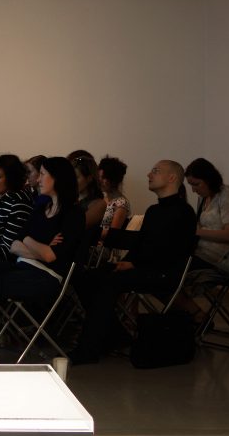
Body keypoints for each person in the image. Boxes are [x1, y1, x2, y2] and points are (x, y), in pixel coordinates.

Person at [0, 157, 85, 361]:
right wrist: (38, 246)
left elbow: (51, 257)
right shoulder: (41, 209)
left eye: (43, 174)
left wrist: (31, 243)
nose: (38, 179)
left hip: (46, 278)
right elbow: (15, 244)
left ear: (57, 178)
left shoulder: (73, 214)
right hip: (21, 268)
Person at [69, 160, 197, 364]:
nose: (149, 174)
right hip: (144, 267)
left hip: (163, 272)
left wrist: (134, 264)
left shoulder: (184, 213)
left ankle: (89, 349)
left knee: (109, 283)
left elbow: (171, 251)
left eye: (155, 171)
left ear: (172, 178)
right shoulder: (154, 211)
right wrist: (128, 261)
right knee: (84, 277)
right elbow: (141, 245)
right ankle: (116, 335)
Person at [98, 155, 131, 240]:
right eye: (99, 177)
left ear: (113, 179)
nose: (100, 180)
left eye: (103, 177)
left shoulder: (121, 203)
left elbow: (112, 232)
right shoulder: (101, 199)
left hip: (102, 248)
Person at [72, 155, 106, 229]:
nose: (71, 181)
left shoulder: (99, 203)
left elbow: (77, 226)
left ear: (89, 178)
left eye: (76, 177)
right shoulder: (71, 199)